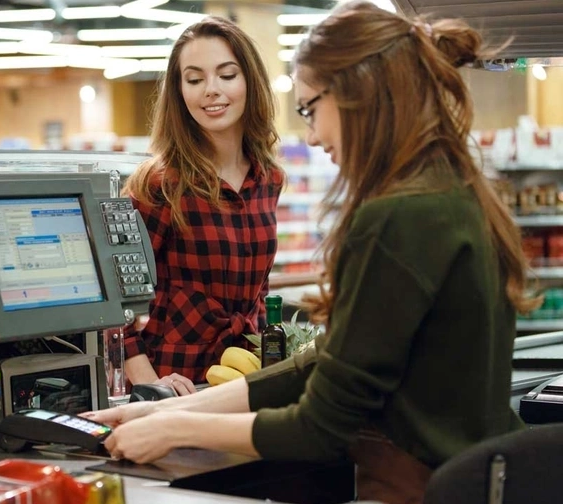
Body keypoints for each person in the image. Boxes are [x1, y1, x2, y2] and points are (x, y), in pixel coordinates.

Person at [85, 2, 541, 502]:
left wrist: (175, 430)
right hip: (477, 475)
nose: (314, 134)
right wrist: (162, 408)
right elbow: (329, 362)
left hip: (429, 485)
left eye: (311, 109)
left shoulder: (397, 216)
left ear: (359, 95)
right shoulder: (449, 191)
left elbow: (321, 424)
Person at [120, 16, 285, 395]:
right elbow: (117, 304)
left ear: (250, 82)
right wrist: (151, 386)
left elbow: (256, 291)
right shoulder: (160, 184)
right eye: (194, 80)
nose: (211, 90)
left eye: (227, 75)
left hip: (243, 378)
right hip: (176, 383)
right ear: (179, 92)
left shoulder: (268, 179)